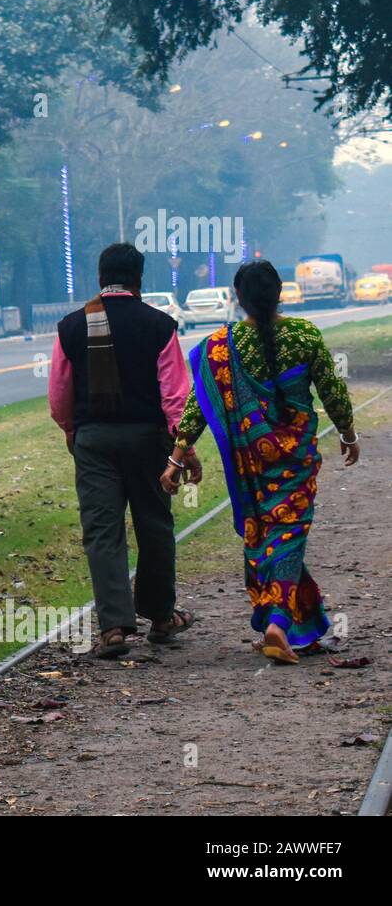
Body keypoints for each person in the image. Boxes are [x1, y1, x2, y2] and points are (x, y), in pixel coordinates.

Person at [162, 260, 359, 664]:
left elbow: (198, 407)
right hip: (297, 460)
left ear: (238, 298)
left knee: (267, 537)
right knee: (289, 537)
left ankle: (297, 624)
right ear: (281, 293)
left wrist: (176, 457)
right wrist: (348, 433)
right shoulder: (304, 334)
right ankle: (278, 625)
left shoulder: (220, 347)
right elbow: (332, 390)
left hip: (251, 467)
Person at [50, 243, 198, 658]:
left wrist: (70, 430)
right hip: (148, 439)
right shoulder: (159, 325)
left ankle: (113, 627)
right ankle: (161, 616)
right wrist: (182, 445)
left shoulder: (72, 327)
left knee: (102, 530)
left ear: (100, 279)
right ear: (139, 280)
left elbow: (60, 392)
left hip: (93, 442)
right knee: (154, 525)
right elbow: (175, 397)